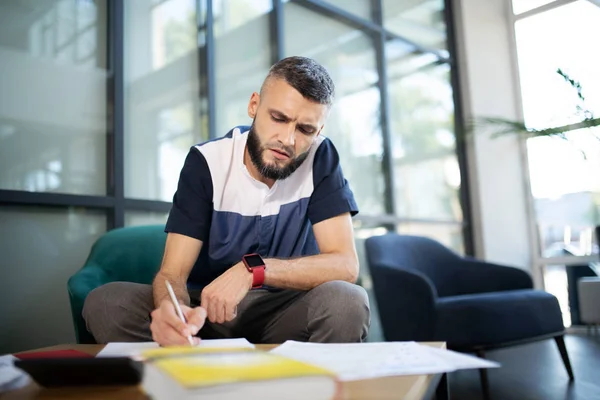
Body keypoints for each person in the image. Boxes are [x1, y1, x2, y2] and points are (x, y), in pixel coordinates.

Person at [83, 56, 370, 345]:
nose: (288, 140)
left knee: (348, 301)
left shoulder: (321, 157)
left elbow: (345, 265)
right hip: (206, 317)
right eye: (279, 118)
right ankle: (186, 369)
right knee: (107, 303)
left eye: (305, 129)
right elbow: (172, 274)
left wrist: (253, 271)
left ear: (318, 132)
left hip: (287, 314)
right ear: (254, 106)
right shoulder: (206, 162)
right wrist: (174, 312)